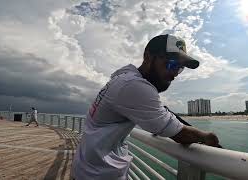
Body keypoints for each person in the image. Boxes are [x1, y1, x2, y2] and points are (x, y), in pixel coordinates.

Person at [71, 34, 220, 180]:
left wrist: (159, 124)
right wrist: (207, 137)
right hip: (98, 174)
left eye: (180, 68)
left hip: (88, 168)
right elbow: (180, 134)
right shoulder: (133, 85)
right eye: (172, 64)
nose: (175, 73)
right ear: (148, 57)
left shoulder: (123, 78)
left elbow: (159, 120)